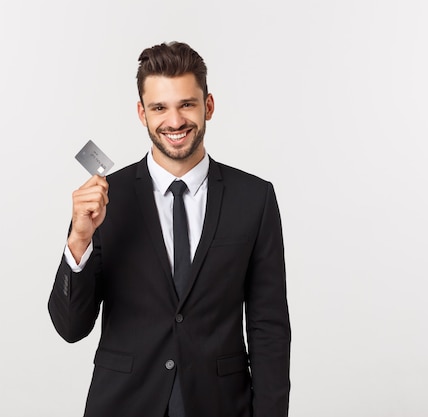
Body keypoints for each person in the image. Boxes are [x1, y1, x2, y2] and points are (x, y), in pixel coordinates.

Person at [48, 41, 290, 417]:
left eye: (186, 105)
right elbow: (70, 327)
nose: (175, 121)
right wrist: (79, 240)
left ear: (208, 105)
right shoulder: (107, 200)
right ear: (142, 113)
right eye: (160, 107)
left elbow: (269, 328)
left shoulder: (254, 199)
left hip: (221, 404)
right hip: (123, 404)